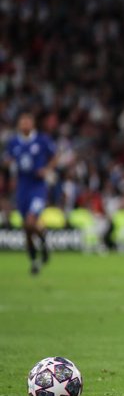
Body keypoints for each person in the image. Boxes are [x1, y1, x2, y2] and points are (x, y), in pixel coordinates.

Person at [4, 112, 57, 275]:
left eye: (27, 122)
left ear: (32, 124)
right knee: (26, 229)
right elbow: (7, 160)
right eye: (22, 122)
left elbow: (55, 156)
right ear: (19, 125)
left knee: (30, 221)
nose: (25, 125)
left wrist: (47, 170)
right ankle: (35, 260)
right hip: (22, 188)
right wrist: (9, 164)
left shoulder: (42, 140)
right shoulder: (13, 142)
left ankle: (43, 243)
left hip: (37, 187)